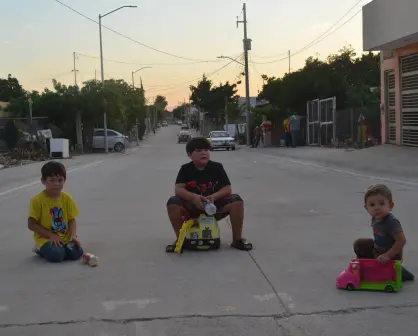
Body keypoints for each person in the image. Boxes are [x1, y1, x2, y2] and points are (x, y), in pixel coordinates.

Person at [166, 137, 253, 252]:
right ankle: (180, 240)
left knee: (237, 201)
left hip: (214, 208)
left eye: (206, 150)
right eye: (198, 150)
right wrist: (194, 197)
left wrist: (214, 197)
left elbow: (227, 188)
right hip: (192, 208)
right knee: (173, 202)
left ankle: (237, 240)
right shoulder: (185, 169)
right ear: (189, 154)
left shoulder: (217, 167)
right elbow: (179, 189)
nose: (203, 153)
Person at [353, 184, 414, 281]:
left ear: (390, 205)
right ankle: (367, 266)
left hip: (390, 256)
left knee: (403, 275)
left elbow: (401, 241)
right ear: (366, 208)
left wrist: (387, 255)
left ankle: (397, 271)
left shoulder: (391, 221)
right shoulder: (375, 218)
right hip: (378, 251)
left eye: (381, 204)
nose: (377, 208)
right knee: (360, 244)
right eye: (372, 205)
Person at [28, 161, 84, 263]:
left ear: (64, 180)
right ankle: (39, 249)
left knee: (77, 253)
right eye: (52, 180)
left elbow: (72, 220)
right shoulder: (37, 200)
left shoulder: (67, 198)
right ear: (43, 181)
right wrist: (51, 235)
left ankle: (63, 247)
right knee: (57, 255)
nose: (56, 184)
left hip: (64, 237)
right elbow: (31, 224)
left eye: (60, 180)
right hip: (45, 238)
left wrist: (73, 236)